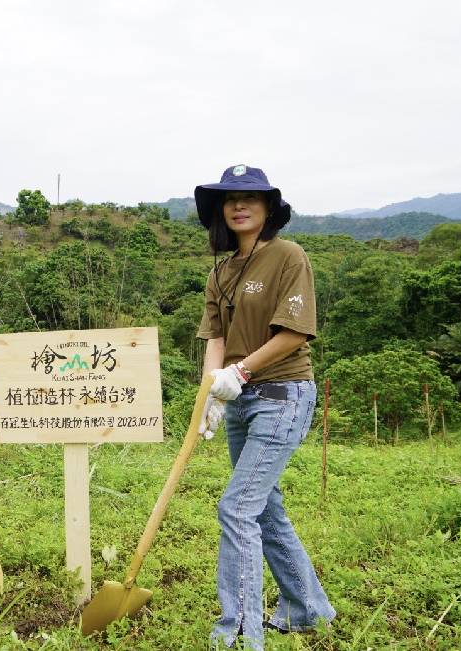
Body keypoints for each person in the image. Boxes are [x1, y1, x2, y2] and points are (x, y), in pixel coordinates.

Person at [194, 164, 335, 649]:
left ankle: (237, 632)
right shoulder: (222, 271)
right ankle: (306, 609)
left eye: (250, 197)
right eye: (229, 199)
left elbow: (294, 332)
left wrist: (241, 372)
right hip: (240, 401)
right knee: (264, 510)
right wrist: (211, 389)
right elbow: (215, 336)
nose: (239, 205)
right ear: (218, 212)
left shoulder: (288, 256)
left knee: (236, 508)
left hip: (283, 394)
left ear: (268, 207)